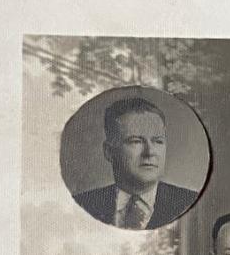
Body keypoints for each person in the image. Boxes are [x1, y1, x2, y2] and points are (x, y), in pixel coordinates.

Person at [73, 95, 198, 229]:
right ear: (109, 151)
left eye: (158, 141)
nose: (149, 152)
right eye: (136, 141)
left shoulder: (190, 203)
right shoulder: (82, 205)